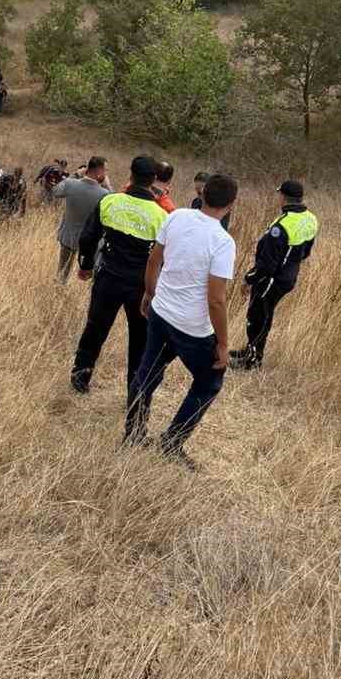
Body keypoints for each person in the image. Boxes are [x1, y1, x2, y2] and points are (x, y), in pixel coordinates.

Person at [124, 173, 239, 468]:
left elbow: (154, 261)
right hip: (192, 328)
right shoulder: (222, 242)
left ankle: (133, 434)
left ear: (202, 194)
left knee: (147, 372)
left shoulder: (176, 217)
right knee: (209, 381)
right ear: (231, 205)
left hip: (161, 313)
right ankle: (172, 443)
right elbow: (216, 299)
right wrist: (224, 343)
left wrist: (150, 294)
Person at [71, 156, 167, 395]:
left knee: (95, 327)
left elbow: (88, 237)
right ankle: (134, 389)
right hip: (141, 285)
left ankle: (81, 376)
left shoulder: (110, 201)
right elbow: (165, 258)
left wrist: (85, 265)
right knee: (140, 338)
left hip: (108, 277)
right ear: (154, 180)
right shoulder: (162, 216)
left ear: (130, 175)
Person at [230, 180, 318, 371]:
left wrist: (248, 279)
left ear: (283, 197)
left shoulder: (282, 226)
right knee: (264, 314)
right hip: (288, 276)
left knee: (257, 317)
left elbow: (266, 266)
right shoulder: (310, 218)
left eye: (279, 194)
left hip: (272, 279)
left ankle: (252, 361)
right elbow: (307, 251)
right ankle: (250, 351)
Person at [52, 157, 110, 282]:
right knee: (90, 275)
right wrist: (107, 184)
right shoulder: (104, 194)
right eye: (105, 170)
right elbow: (114, 207)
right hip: (91, 242)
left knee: (62, 272)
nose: (106, 174)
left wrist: (76, 174)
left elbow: (55, 191)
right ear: (99, 171)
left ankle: (58, 288)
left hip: (67, 236)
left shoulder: (70, 183)